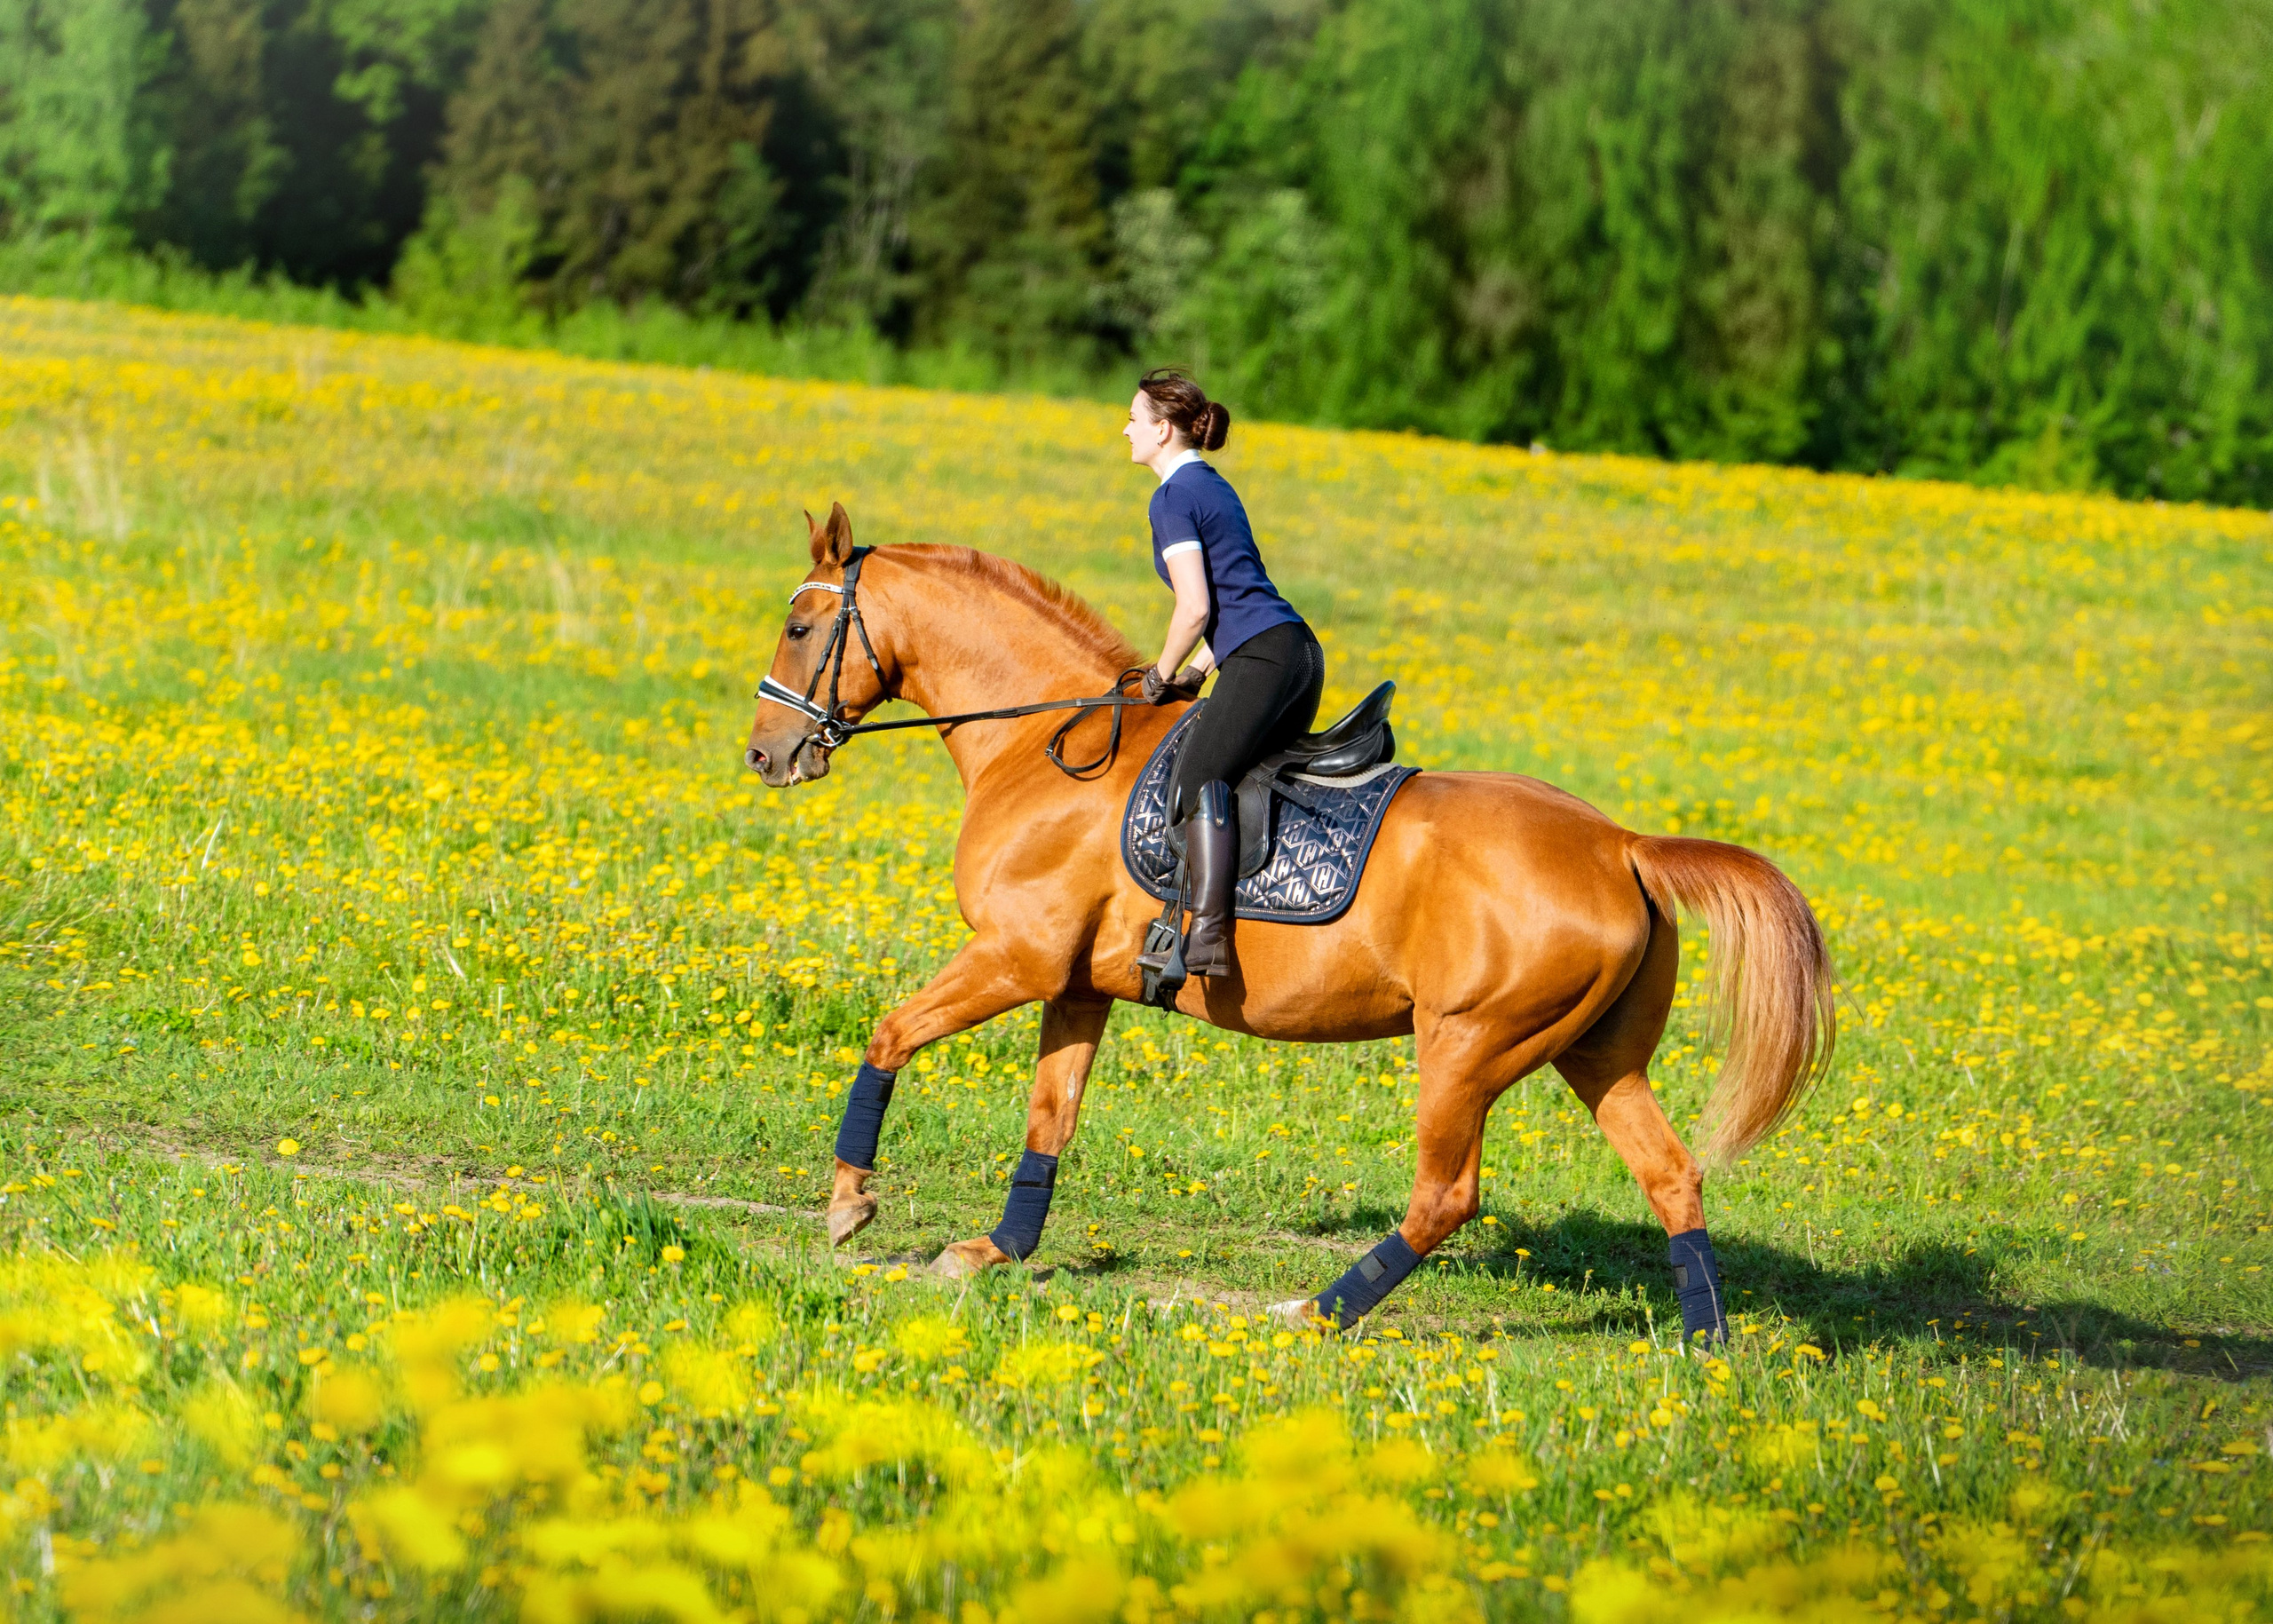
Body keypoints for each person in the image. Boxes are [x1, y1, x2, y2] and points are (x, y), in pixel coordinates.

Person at [1122, 368, 1323, 978]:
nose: (1125, 429)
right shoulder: (1213, 485)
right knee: (1234, 775)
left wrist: (1160, 674)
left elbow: (1197, 607)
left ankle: (1209, 937)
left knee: (1195, 780)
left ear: (1161, 431)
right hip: (1293, 653)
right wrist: (1201, 671)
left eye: (1133, 418)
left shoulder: (1173, 497)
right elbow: (1242, 595)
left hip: (1263, 658)